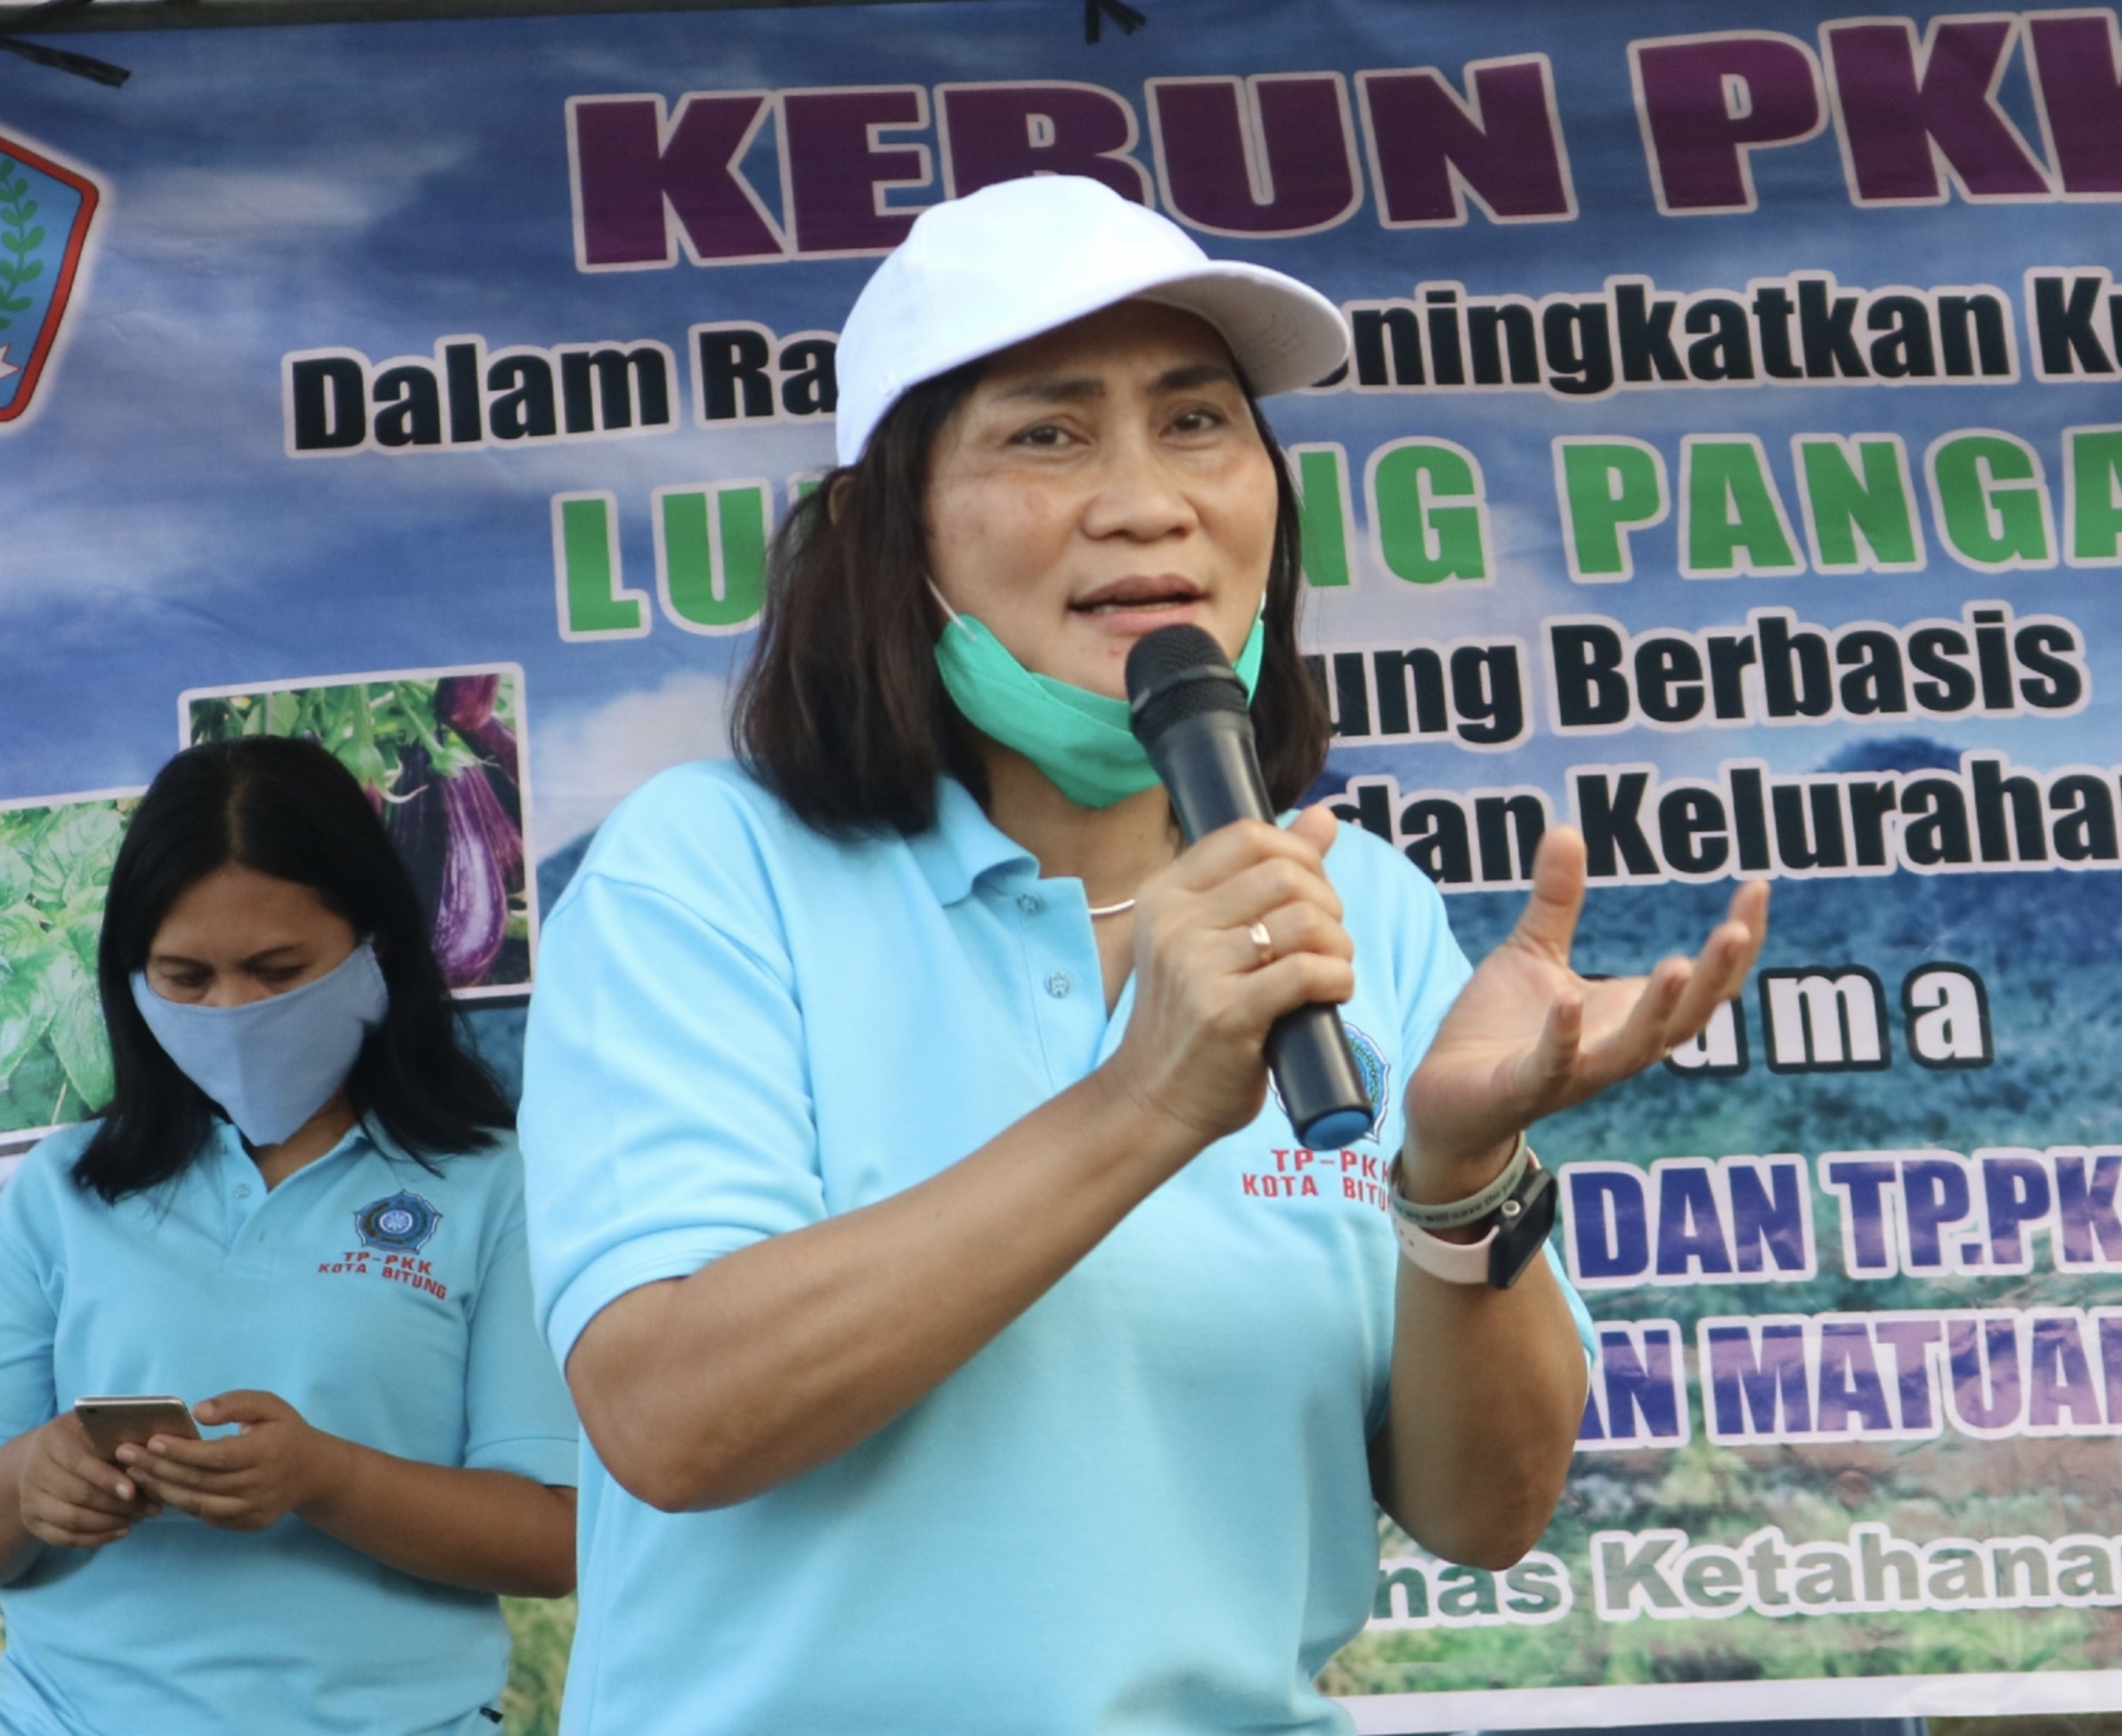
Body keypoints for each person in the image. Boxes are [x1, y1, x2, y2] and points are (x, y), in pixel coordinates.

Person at [518, 174, 1767, 1731]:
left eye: (1196, 423)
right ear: (879, 528)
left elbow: (1485, 1512)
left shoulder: (1356, 900)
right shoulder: (708, 867)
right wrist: (1141, 1102)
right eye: (1047, 434)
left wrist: (1459, 1178)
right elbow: (668, 1412)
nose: (1145, 499)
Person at [0, 736, 578, 1736]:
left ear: (378, 947)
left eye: (277, 970)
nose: (232, 1011)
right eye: (185, 977)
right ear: (131, 978)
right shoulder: (63, 1188)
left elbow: (554, 1540)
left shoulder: (489, 1183)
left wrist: (329, 1479)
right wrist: (29, 1479)